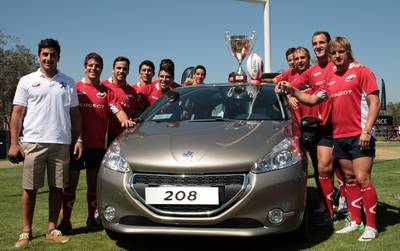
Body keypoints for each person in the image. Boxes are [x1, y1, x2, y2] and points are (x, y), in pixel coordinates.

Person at [278, 36, 380, 241]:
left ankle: (371, 226)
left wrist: (366, 131)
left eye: (341, 52)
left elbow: (374, 102)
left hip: (359, 135)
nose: (337, 56)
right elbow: (313, 98)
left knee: (363, 179)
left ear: (348, 52)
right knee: (350, 180)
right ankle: (356, 221)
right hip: (339, 135)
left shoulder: (362, 71)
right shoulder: (331, 77)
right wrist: (293, 91)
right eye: (334, 53)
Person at [8, 38, 82, 248]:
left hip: (61, 143)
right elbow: (17, 113)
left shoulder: (68, 82)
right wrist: (14, 143)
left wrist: (79, 138)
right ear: (38, 56)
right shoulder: (26, 80)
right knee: (30, 189)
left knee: (57, 188)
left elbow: (75, 114)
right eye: (45, 54)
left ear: (59, 57)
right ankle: (26, 232)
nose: (49, 58)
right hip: (33, 142)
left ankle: (52, 229)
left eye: (53, 55)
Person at [57, 53, 135, 235]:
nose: (93, 68)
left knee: (93, 187)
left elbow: (119, 112)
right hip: (75, 145)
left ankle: (91, 220)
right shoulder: (74, 87)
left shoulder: (107, 93)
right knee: (70, 187)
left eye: (97, 66)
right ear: (85, 66)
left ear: (102, 68)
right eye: (90, 65)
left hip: (98, 147)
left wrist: (126, 121)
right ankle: (66, 222)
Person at [290, 32, 347, 223]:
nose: (318, 46)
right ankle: (327, 211)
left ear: (328, 44)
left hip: (337, 126)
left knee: (346, 171)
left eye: (322, 42)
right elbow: (288, 85)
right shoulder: (311, 71)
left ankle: (349, 209)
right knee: (321, 169)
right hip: (314, 129)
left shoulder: (338, 65)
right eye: (315, 43)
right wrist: (288, 92)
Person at [102, 56, 141, 144]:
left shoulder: (132, 91)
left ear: (128, 71)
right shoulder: (103, 86)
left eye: (124, 69)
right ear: (113, 69)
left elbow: (135, 113)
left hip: (123, 138)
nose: (121, 71)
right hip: (103, 137)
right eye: (118, 68)